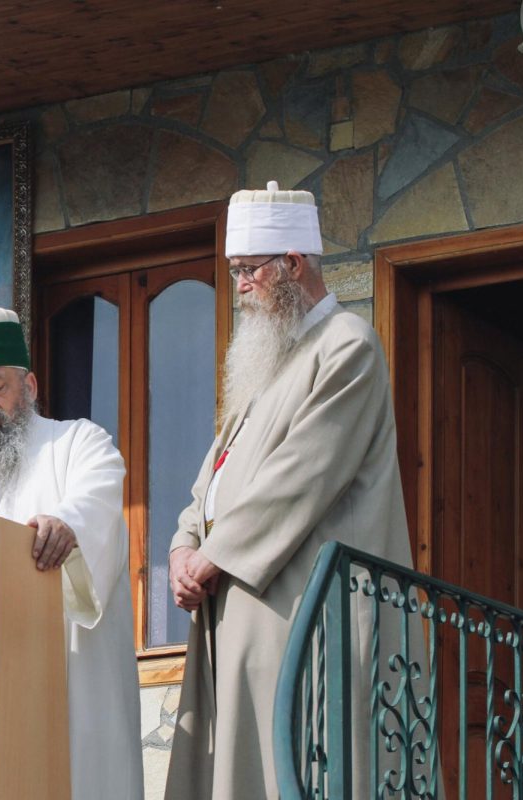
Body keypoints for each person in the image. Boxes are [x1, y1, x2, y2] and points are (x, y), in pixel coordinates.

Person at [164, 181, 416, 798]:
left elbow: (300, 477)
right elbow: (210, 481)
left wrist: (212, 556)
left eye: (248, 271)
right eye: (234, 273)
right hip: (238, 611)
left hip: (305, 611)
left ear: (293, 265)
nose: (240, 287)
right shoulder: (266, 366)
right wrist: (181, 545)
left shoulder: (348, 346)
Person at [0, 307, 144, 800]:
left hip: (65, 688)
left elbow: (93, 500)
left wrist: (66, 524)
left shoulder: (78, 442)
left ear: (29, 386)